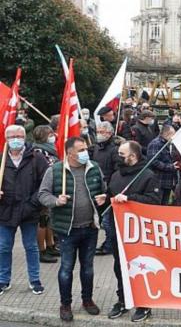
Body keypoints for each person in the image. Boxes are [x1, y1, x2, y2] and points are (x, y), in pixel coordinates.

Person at [38, 136, 108, 322]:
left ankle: (87, 300)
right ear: (70, 153)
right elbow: (42, 194)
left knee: (88, 268)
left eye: (86, 149)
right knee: (66, 268)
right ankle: (65, 304)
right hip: (67, 230)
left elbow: (103, 187)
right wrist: (55, 201)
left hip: (90, 227)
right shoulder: (55, 170)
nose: (86, 152)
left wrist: (104, 197)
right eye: (81, 150)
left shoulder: (93, 167)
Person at [106, 141, 160, 322]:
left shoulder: (147, 176)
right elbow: (110, 196)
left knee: (140, 266)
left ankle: (144, 304)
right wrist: (104, 199)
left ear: (133, 156)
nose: (118, 156)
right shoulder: (115, 175)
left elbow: (153, 200)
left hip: (139, 233)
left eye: (122, 154)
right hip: (117, 230)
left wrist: (130, 199)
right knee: (119, 266)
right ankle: (122, 299)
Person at [0, 125, 49, 296]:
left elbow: (45, 183)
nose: (15, 139)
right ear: (6, 139)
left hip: (29, 211)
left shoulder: (36, 158)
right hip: (5, 211)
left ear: (24, 137)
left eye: (19, 136)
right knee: (3, 247)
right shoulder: (1, 159)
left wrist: (33, 204)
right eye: (12, 136)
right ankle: (3, 280)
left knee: (31, 246)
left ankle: (34, 280)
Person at [90, 121, 120, 256]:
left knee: (107, 220)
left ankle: (109, 245)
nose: (99, 135)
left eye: (102, 132)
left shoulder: (114, 149)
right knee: (100, 219)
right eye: (98, 132)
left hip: (108, 189)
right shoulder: (96, 148)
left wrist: (110, 188)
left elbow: (117, 170)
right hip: (97, 188)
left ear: (109, 133)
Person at [31, 125, 60, 263]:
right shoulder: (38, 151)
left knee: (49, 218)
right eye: (49, 134)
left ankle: (50, 245)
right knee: (42, 220)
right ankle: (40, 250)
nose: (53, 136)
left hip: (51, 187)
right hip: (42, 188)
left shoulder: (50, 150)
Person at [147, 124, 177, 205]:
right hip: (159, 180)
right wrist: (170, 166)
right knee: (158, 203)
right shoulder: (156, 144)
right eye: (173, 134)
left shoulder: (166, 144)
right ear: (167, 134)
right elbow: (153, 161)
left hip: (167, 180)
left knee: (164, 203)